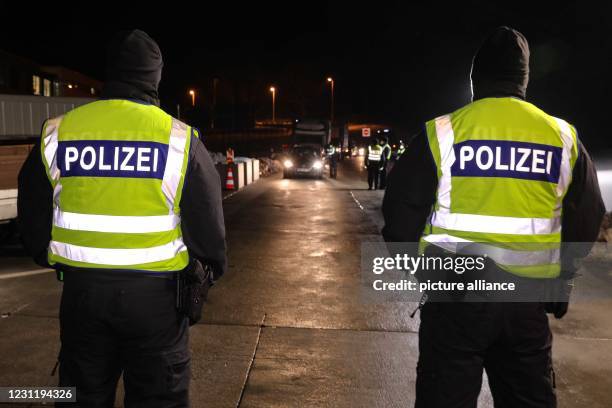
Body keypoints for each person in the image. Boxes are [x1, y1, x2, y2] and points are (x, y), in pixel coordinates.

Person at [382, 26, 604, 408]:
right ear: (524, 79)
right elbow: (588, 214)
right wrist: (561, 283)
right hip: (526, 303)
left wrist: (424, 275)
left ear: (475, 79)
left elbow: (400, 213)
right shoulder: (562, 137)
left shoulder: (443, 132)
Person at [18, 30, 227, 407]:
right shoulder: (178, 139)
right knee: (157, 398)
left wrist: (55, 260)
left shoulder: (58, 131)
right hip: (158, 304)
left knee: (81, 396)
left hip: (82, 296)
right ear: (156, 76)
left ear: (110, 73)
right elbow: (209, 227)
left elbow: (32, 216)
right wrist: (206, 273)